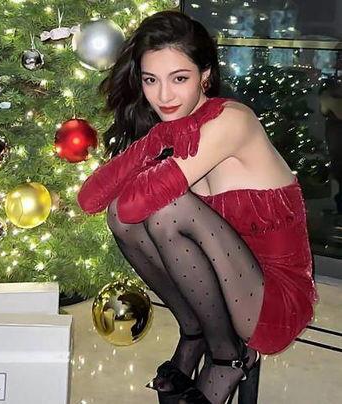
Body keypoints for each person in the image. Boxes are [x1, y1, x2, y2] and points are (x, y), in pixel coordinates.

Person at [77, 10, 317, 404]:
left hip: (272, 299)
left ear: (205, 76)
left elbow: (142, 204)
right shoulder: (174, 126)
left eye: (179, 79)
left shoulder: (230, 122)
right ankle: (196, 332)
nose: (164, 97)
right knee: (118, 215)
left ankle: (229, 356)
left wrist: (159, 139)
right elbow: (93, 201)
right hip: (223, 287)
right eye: (151, 80)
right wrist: (157, 138)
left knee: (167, 209)